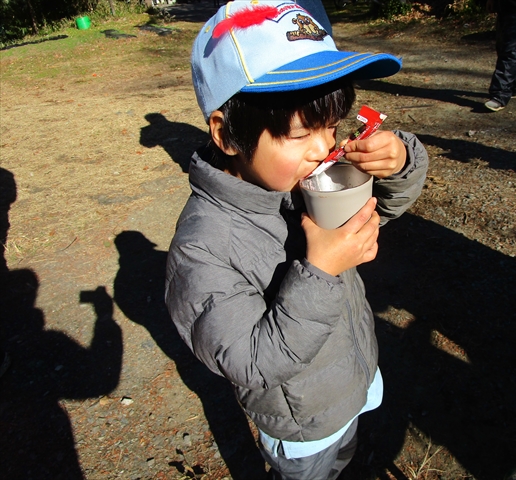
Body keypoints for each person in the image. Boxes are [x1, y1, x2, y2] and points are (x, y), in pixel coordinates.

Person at [164, 1, 428, 479]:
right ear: (226, 136)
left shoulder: (297, 181)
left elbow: (374, 213)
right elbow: (249, 361)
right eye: (302, 131)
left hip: (352, 375)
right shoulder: (202, 249)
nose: (325, 147)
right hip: (301, 420)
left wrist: (401, 162)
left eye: (330, 125)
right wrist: (322, 271)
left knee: (347, 456)